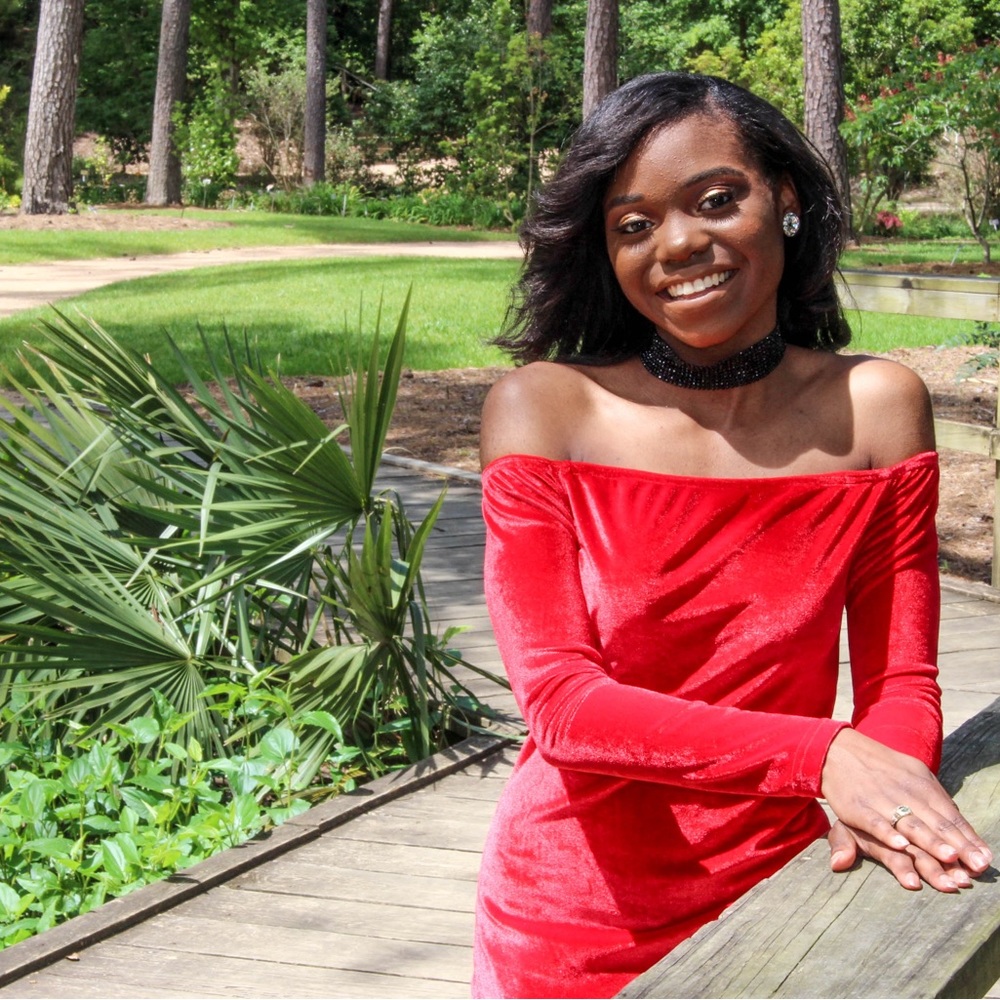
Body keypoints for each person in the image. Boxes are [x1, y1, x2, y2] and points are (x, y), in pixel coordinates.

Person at [472, 71, 993, 1000]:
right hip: (573, 917)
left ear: (784, 199)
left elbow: (902, 683)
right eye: (634, 224)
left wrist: (885, 795)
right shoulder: (546, 409)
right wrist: (825, 755)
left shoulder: (876, 406)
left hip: (808, 877)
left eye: (716, 200)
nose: (677, 243)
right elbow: (561, 704)